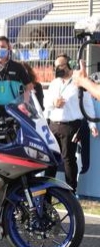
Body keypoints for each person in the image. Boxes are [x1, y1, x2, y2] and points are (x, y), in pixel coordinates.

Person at [44, 54, 98, 193]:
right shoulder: (55, 83)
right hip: (53, 125)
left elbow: (88, 104)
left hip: (71, 126)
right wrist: (54, 103)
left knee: (68, 159)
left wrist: (92, 125)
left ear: (69, 65)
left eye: (60, 66)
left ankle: (70, 191)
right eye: (55, 66)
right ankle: (45, 194)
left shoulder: (78, 82)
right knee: (50, 160)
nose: (57, 69)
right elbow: (46, 103)